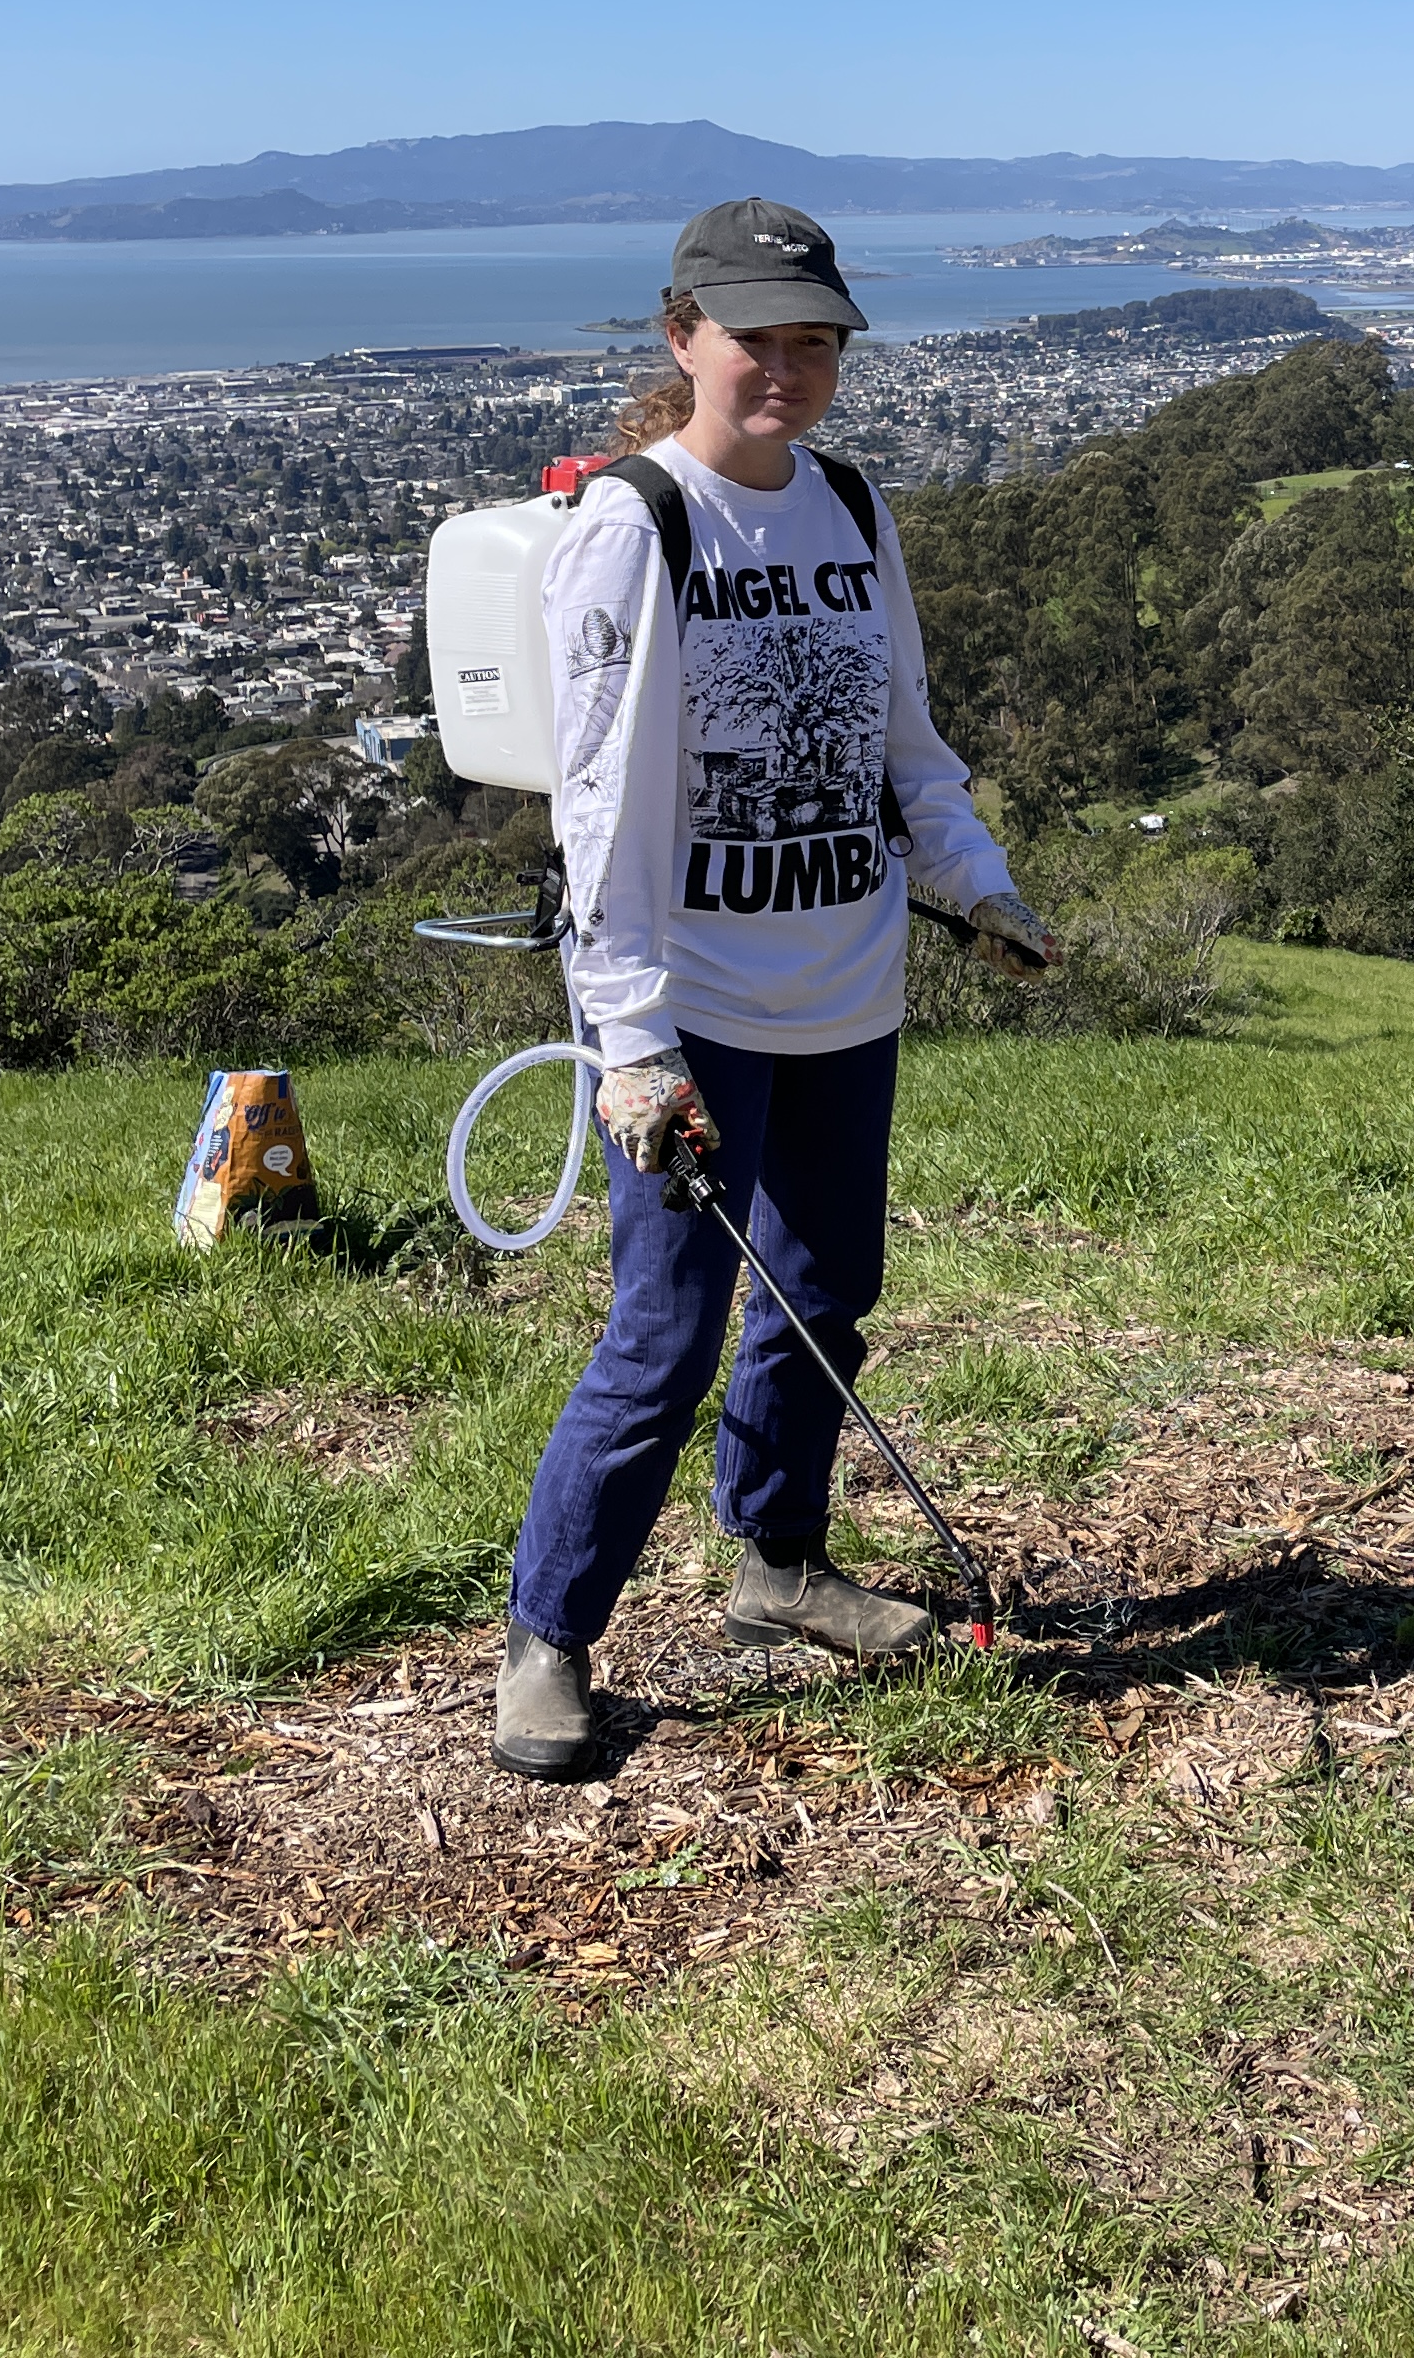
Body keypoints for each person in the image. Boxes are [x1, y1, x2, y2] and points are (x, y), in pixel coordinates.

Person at [496, 199, 1057, 1779]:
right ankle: (548, 1638)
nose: (789, 371)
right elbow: (599, 808)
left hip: (845, 987)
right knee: (666, 1333)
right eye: (758, 339)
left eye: (818, 342)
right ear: (684, 336)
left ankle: (780, 1565)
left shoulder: (851, 506)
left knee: (823, 1297)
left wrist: (979, 883)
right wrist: (630, 1041)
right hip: (692, 1008)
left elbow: (906, 744)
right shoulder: (637, 525)